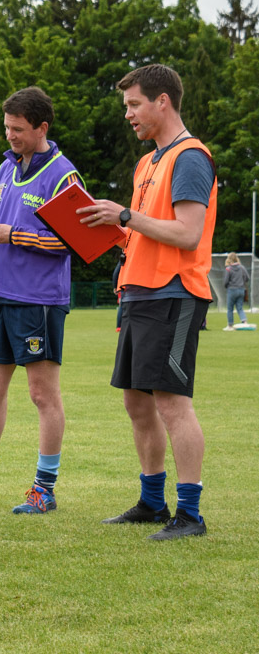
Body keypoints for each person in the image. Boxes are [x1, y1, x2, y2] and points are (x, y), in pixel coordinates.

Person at [76, 64, 217, 540]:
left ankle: (190, 514)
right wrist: (112, 231)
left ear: (163, 101)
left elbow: (188, 234)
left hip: (174, 294)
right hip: (137, 291)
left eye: (134, 104)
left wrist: (128, 216)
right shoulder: (147, 162)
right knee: (138, 403)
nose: (128, 115)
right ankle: (152, 502)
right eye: (126, 107)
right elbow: (145, 230)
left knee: (172, 403)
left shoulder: (190, 157)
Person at [0, 86, 82, 515]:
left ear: (42, 127)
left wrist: (13, 234)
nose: (10, 136)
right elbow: (0, 216)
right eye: (7, 128)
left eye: (19, 129)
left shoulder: (63, 176)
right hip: (0, 294)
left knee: (43, 396)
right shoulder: (6, 168)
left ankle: (44, 488)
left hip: (38, 300)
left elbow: (72, 243)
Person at [223, 252, 250, 330]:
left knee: (230, 308)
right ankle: (245, 322)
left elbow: (225, 281)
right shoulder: (242, 267)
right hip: (241, 289)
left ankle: (230, 325)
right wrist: (242, 283)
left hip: (232, 290)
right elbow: (247, 278)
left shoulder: (228, 269)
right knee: (240, 308)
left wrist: (227, 286)